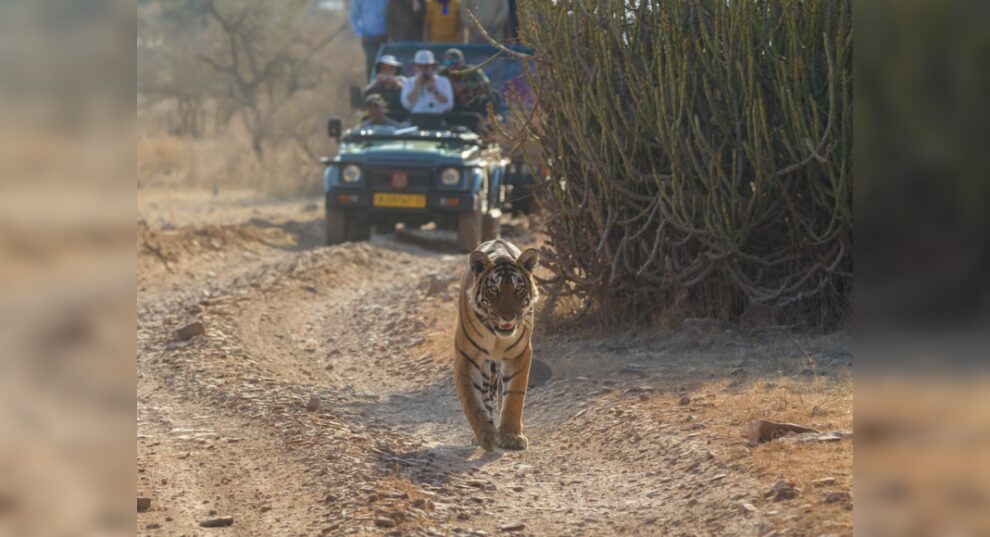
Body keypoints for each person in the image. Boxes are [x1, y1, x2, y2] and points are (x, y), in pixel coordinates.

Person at [438, 48, 495, 114]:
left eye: (456, 63)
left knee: (493, 95)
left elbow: (486, 83)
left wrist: (466, 86)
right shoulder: (441, 73)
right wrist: (451, 88)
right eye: (449, 63)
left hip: (472, 106)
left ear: (462, 62)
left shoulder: (472, 70)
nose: (453, 66)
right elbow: (434, 85)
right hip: (449, 106)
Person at [400, 50, 454, 114]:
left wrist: (434, 89)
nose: (424, 70)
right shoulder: (409, 82)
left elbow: (448, 105)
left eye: (427, 66)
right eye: (420, 66)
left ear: (432, 66)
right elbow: (407, 105)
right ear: (415, 67)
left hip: (438, 118)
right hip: (416, 118)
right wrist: (417, 85)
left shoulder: (443, 81)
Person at [349, 0, 389, 81]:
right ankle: (371, 89)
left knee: (387, 65)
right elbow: (354, 18)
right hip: (369, 40)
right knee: (372, 65)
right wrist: (361, 33)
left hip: (386, 39)